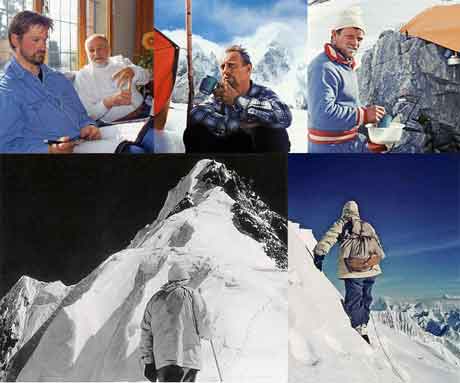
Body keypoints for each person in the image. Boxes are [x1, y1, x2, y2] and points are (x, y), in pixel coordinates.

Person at [0, 11, 100, 153]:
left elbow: (83, 115)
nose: (43, 47)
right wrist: (49, 150)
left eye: (44, 40)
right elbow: (6, 146)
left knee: (138, 143)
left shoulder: (58, 79)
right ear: (15, 40)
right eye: (35, 40)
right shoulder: (7, 90)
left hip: (85, 144)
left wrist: (89, 126)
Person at [307, 7, 387, 153]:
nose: (355, 43)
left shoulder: (345, 66)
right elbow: (323, 115)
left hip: (348, 145)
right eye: (350, 36)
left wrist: (368, 139)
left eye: (359, 39)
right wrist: (364, 115)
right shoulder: (324, 67)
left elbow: (348, 105)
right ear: (334, 35)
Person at [184, 45, 292, 153]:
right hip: (230, 152)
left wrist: (238, 99)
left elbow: (284, 116)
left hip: (256, 155)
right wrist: (239, 125)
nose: (225, 71)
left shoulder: (262, 93)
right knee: (195, 132)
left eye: (231, 66)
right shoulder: (220, 96)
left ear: (248, 69)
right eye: (223, 67)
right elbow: (196, 113)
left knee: (275, 133)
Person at [312, 201, 385, 344]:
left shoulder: (343, 222)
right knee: (366, 296)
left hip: (353, 269)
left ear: (345, 211)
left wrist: (320, 254)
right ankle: (363, 321)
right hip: (371, 268)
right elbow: (378, 245)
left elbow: (330, 237)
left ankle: (359, 327)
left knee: (354, 297)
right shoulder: (366, 225)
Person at [140, 263, 212, 382]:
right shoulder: (191, 294)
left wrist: (148, 361)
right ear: (185, 278)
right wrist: (209, 334)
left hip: (162, 361)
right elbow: (204, 326)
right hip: (187, 358)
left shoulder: (155, 299)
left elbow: (146, 332)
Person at [75, 34, 152, 124]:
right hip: (118, 124)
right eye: (91, 50)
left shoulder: (121, 61)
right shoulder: (83, 76)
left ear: (108, 50)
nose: (96, 53)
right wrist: (108, 102)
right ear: (87, 53)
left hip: (145, 109)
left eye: (100, 48)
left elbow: (147, 77)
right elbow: (88, 114)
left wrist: (134, 71)